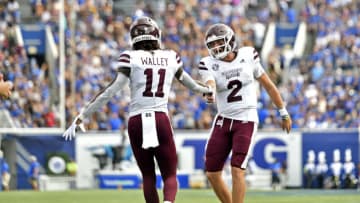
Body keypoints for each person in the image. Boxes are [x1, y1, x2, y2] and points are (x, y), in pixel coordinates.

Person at [62, 16, 212, 203]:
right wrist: (208, 90)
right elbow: (191, 84)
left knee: (148, 176)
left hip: (137, 120)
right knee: (170, 174)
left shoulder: (130, 57)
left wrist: (83, 115)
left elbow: (110, 92)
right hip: (160, 119)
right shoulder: (171, 56)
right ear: (156, 34)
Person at [198, 23, 292, 203]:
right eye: (213, 45)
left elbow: (269, 86)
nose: (216, 48)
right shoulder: (207, 63)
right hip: (224, 118)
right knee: (212, 172)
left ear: (230, 40)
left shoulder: (249, 55)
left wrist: (283, 112)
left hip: (246, 119)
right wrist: (209, 91)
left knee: (237, 169)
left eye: (219, 43)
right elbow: (210, 82)